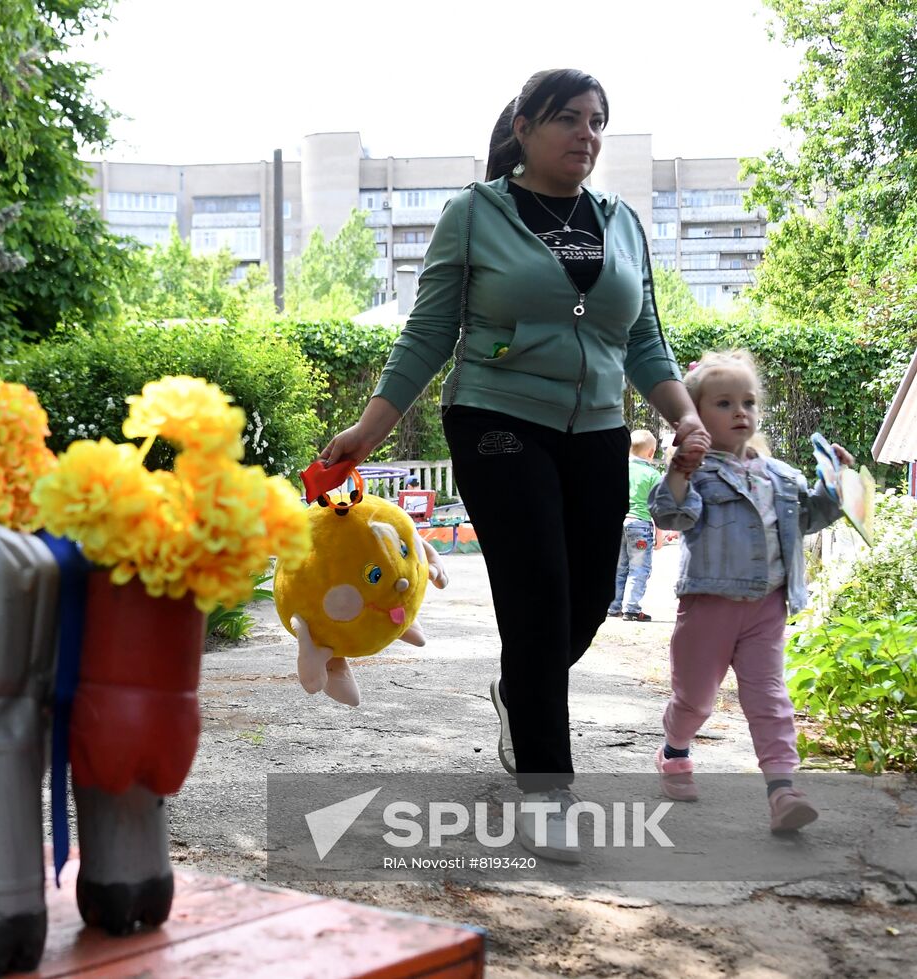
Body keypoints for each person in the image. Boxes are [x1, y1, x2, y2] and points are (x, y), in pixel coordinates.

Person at [318, 68, 708, 863]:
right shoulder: (476, 213)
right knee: (538, 589)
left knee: (590, 595)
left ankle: (521, 689)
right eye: (568, 119)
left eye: (597, 121)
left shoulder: (623, 222)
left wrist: (685, 413)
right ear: (524, 127)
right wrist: (370, 426)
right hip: (497, 416)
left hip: (598, 425)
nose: (586, 135)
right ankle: (546, 785)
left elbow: (643, 340)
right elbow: (427, 333)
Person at [648, 350, 849, 832]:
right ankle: (674, 751)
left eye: (749, 402)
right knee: (695, 699)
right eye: (723, 403)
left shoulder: (781, 476)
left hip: (767, 605)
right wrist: (678, 470)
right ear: (695, 416)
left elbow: (809, 518)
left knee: (769, 698)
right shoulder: (697, 473)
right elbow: (670, 516)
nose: (741, 412)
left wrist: (838, 485)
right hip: (708, 604)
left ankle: (783, 791)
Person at [606, 430, 663, 621]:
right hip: (640, 525)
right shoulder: (652, 474)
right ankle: (631, 608)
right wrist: (659, 534)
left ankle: (614, 606)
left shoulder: (618, 469)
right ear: (651, 453)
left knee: (620, 567)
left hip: (620, 523)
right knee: (639, 569)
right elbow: (658, 507)